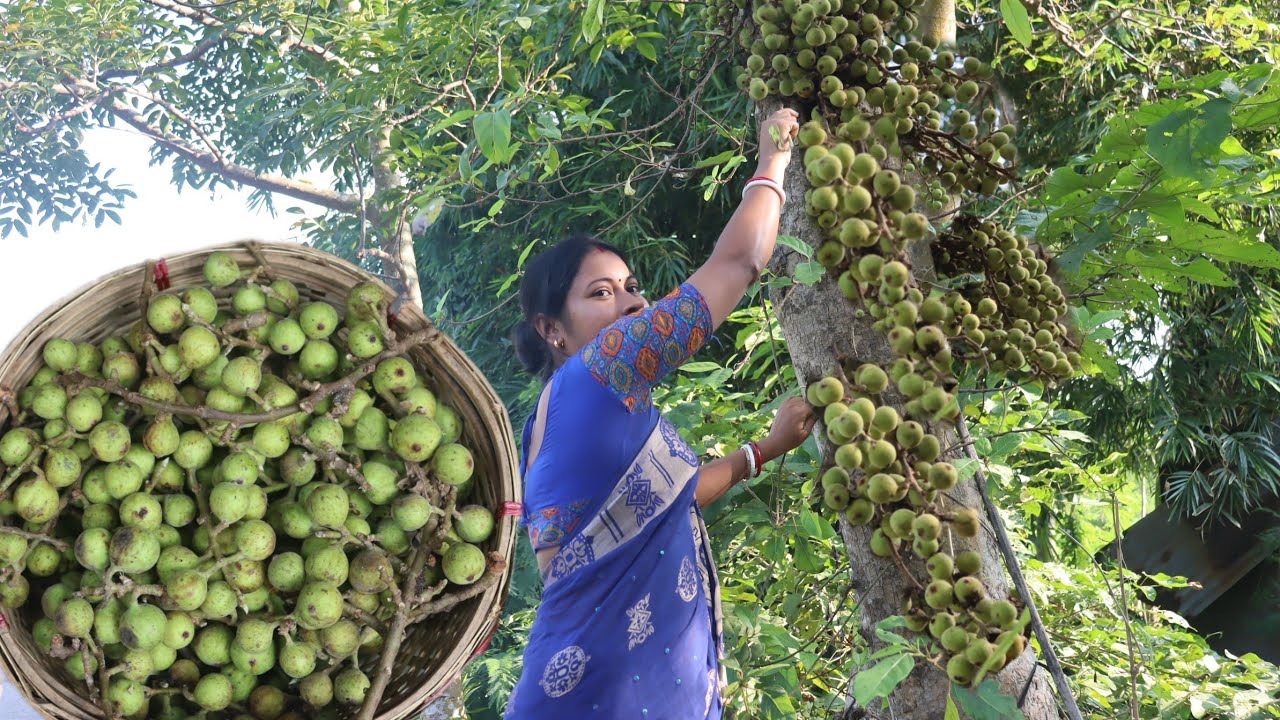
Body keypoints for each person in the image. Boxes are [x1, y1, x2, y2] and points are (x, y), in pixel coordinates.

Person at [504, 108, 813, 719]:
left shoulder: (545, 427)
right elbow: (737, 265)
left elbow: (668, 499)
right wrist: (773, 161)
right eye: (601, 292)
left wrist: (763, 452)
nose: (632, 301)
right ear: (550, 329)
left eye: (629, 285)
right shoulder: (602, 368)